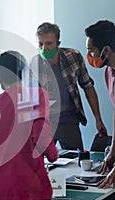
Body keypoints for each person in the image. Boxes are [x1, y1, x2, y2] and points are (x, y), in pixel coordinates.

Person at [0, 51, 58, 199]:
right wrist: (53, 154)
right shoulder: (36, 96)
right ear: (24, 72)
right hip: (28, 186)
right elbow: (41, 137)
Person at [29, 22, 107, 150]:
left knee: (76, 162)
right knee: (40, 164)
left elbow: (88, 87)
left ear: (58, 44)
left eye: (49, 43)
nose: (44, 48)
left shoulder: (73, 57)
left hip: (69, 120)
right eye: (40, 44)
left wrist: (98, 118)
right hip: (45, 124)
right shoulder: (33, 65)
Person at [85, 20, 115, 189]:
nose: (90, 56)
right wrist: (114, 148)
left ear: (106, 50)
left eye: (91, 51)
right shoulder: (109, 72)